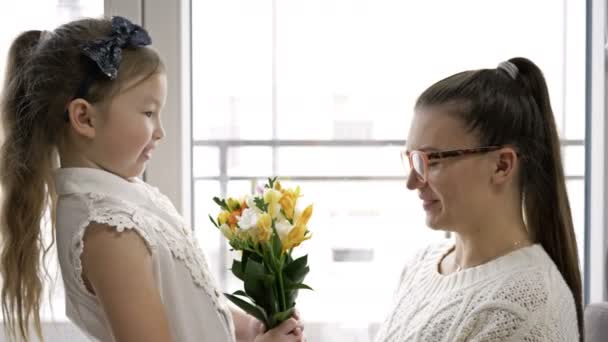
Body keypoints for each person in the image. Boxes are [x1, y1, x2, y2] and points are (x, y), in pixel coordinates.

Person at [0, 16, 303, 342]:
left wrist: (247, 328)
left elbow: (182, 301)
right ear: (84, 117)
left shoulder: (122, 196)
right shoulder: (107, 230)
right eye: (148, 113)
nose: (160, 131)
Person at [374, 57, 582, 341]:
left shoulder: (529, 309)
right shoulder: (422, 265)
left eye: (431, 160)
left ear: (502, 166)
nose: (412, 182)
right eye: (412, 159)